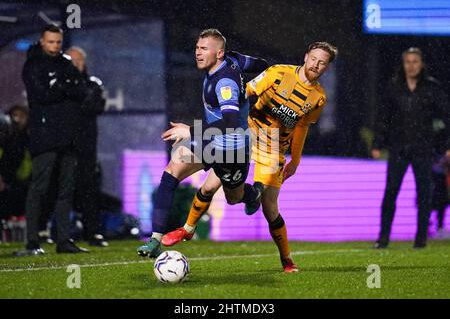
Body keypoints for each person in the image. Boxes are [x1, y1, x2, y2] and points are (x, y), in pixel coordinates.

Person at [162, 42, 337, 272]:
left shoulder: (318, 98)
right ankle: (187, 228)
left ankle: (286, 260)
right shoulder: (278, 73)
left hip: (274, 147)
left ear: (326, 68)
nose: (315, 64)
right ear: (305, 56)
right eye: (313, 58)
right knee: (209, 186)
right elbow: (244, 93)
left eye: (322, 62)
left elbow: (302, 127)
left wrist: (296, 160)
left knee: (270, 208)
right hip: (246, 135)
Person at [136, 29, 268, 258]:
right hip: (210, 140)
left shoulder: (224, 83)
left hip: (232, 149)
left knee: (233, 197)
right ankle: (155, 240)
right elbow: (263, 64)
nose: (198, 53)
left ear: (219, 54)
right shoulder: (234, 59)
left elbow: (230, 123)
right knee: (171, 172)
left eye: (204, 49)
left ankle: (252, 195)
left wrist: (190, 130)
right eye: (197, 48)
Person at [15, 24, 89, 255]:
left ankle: (64, 240)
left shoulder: (65, 64)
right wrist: (65, 88)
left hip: (68, 135)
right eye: (51, 42)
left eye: (58, 42)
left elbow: (82, 90)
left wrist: (62, 87)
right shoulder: (33, 65)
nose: (55, 46)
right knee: (39, 187)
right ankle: (32, 242)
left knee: (66, 189)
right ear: (41, 41)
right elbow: (42, 95)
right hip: (45, 135)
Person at [372, 47, 450, 249]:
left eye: (415, 61)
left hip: (424, 148)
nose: (411, 65)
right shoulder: (394, 87)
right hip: (398, 147)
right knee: (391, 192)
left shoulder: (432, 87)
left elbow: (446, 117)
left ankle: (421, 240)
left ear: (421, 64)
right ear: (403, 64)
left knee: (425, 194)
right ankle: (383, 239)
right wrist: (377, 143)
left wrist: (447, 145)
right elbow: (384, 118)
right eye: (408, 61)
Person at [65, 46, 108, 247]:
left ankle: (92, 231)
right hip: (63, 145)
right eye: (70, 60)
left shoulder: (92, 84)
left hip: (86, 146)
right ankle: (58, 232)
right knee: (61, 188)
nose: (74, 64)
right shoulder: (59, 84)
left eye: (78, 60)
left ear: (84, 63)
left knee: (89, 189)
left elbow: (96, 106)